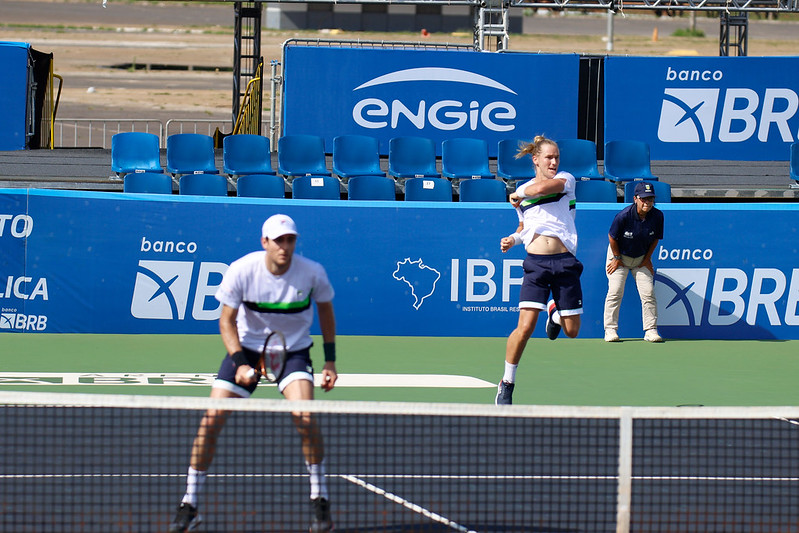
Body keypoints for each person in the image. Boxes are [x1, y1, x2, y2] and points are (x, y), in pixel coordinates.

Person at [169, 214, 338, 533]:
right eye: (278, 241)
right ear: (265, 243)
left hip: (293, 351)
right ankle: (190, 504)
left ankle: (319, 497)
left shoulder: (312, 273)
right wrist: (241, 363)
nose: (285, 247)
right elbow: (225, 321)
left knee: (305, 418)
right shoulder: (242, 270)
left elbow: (327, 314)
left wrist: (329, 363)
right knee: (211, 420)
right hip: (246, 349)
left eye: (290, 240)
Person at [496, 136, 583, 405]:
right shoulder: (522, 193)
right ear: (536, 160)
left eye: (556, 157)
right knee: (525, 327)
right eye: (549, 157)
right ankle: (507, 383)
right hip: (536, 265)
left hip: (566, 262)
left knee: (572, 331)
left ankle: (555, 313)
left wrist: (518, 194)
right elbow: (526, 227)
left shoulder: (565, 180)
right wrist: (513, 238)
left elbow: (537, 190)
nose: (554, 162)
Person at [603, 181, 665, 343]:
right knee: (615, 291)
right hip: (619, 258)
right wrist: (616, 258)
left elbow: (655, 239)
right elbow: (612, 237)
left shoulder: (658, 216)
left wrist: (647, 259)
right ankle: (610, 329)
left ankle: (651, 330)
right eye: (644, 199)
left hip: (640, 259)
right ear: (635, 199)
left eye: (650, 199)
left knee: (648, 293)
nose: (647, 203)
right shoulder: (623, 216)